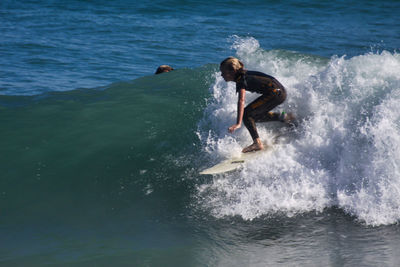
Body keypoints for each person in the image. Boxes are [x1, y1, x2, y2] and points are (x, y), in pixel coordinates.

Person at [220, 56, 294, 153]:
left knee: (247, 113)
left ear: (233, 70)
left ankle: (257, 143)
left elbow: (241, 100)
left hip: (275, 93)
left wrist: (238, 123)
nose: (222, 75)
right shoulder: (244, 74)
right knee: (253, 117)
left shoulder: (241, 79)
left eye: (223, 72)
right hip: (280, 92)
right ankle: (285, 117)